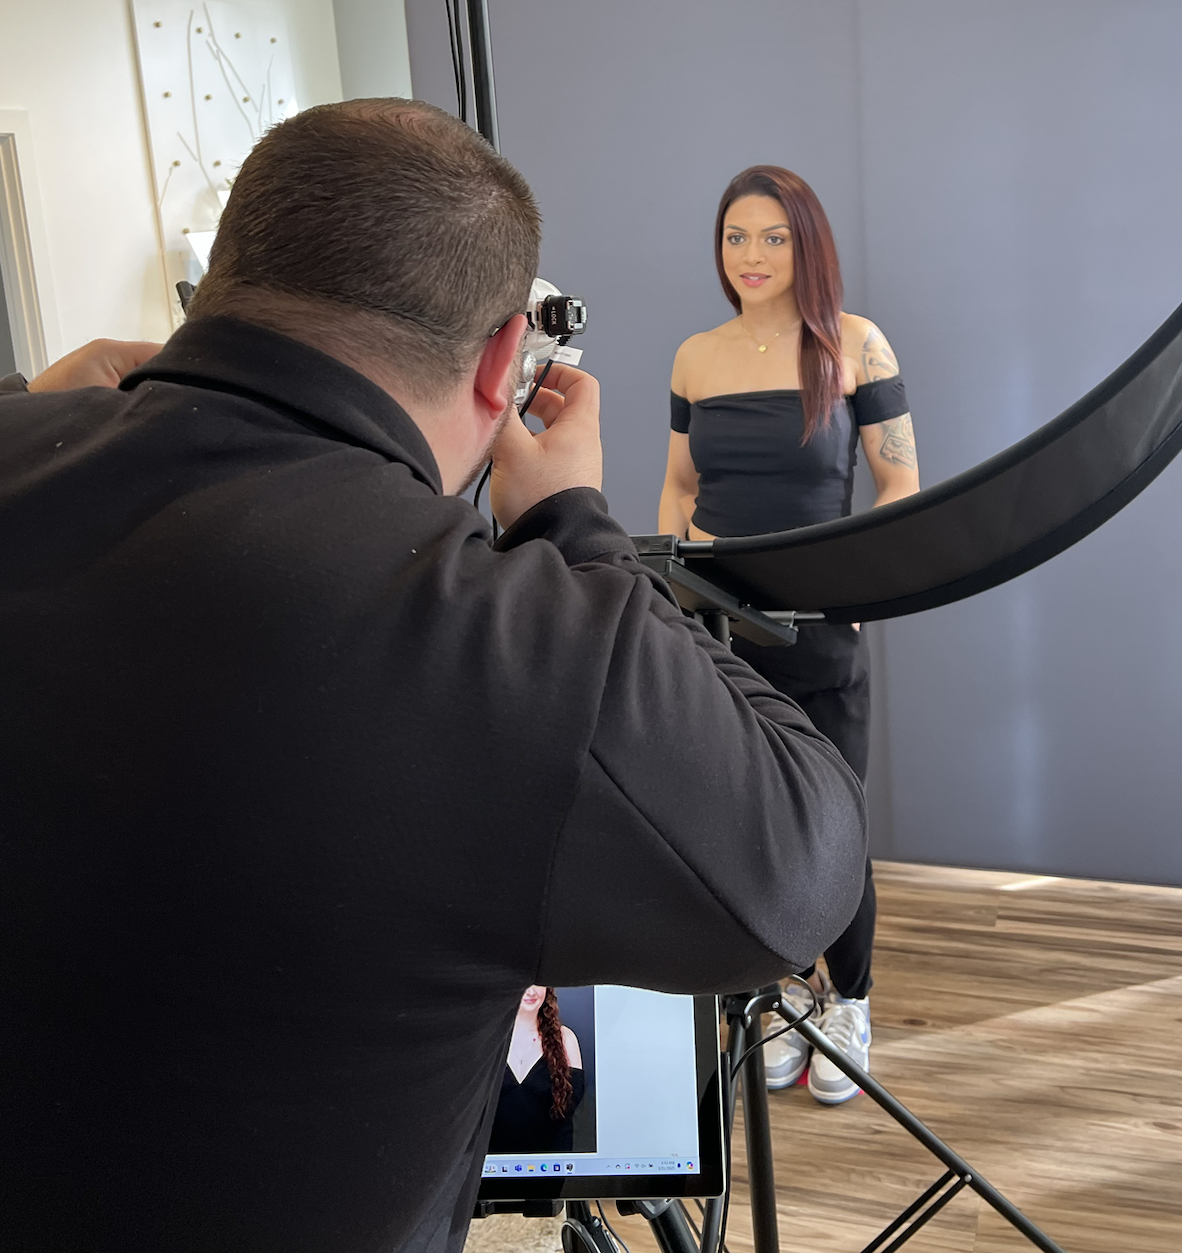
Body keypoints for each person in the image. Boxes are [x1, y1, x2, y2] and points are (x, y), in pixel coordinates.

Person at [0, 102, 868, 1253]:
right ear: (505, 362)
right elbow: (796, 877)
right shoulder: (516, 642)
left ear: (214, 288)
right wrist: (577, 528)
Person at [658, 164, 919, 1107]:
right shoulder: (695, 357)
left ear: (807, 246)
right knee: (741, 821)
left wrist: (864, 583)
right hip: (717, 627)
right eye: (737, 236)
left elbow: (900, 483)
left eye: (774, 236)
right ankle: (774, 995)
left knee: (832, 820)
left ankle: (848, 998)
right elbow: (680, 489)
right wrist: (675, 597)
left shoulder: (856, 344)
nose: (753, 254)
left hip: (818, 624)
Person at [488, 986, 586, 1155]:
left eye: (538, 983)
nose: (531, 992)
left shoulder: (566, 1040)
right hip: (489, 1166)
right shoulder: (486, 1040)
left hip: (549, 1165)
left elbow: (566, 1116)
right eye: (525, 984)